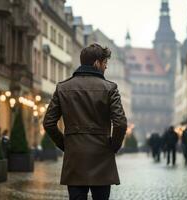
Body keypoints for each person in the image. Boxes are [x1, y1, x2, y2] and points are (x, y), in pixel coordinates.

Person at [43, 43, 127, 200]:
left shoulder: (63, 88)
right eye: (105, 63)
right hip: (101, 155)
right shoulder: (110, 88)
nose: (106, 67)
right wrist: (113, 147)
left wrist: (65, 144)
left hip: (75, 157)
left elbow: (48, 123)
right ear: (97, 63)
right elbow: (120, 123)